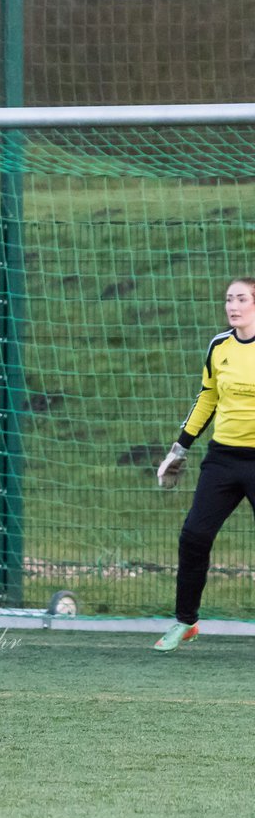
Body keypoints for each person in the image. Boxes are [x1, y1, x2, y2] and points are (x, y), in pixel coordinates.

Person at [154, 276, 255, 652]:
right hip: (223, 460)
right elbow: (207, 398)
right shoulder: (219, 346)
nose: (233, 305)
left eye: (242, 298)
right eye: (229, 299)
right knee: (194, 536)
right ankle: (186, 621)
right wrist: (179, 449)